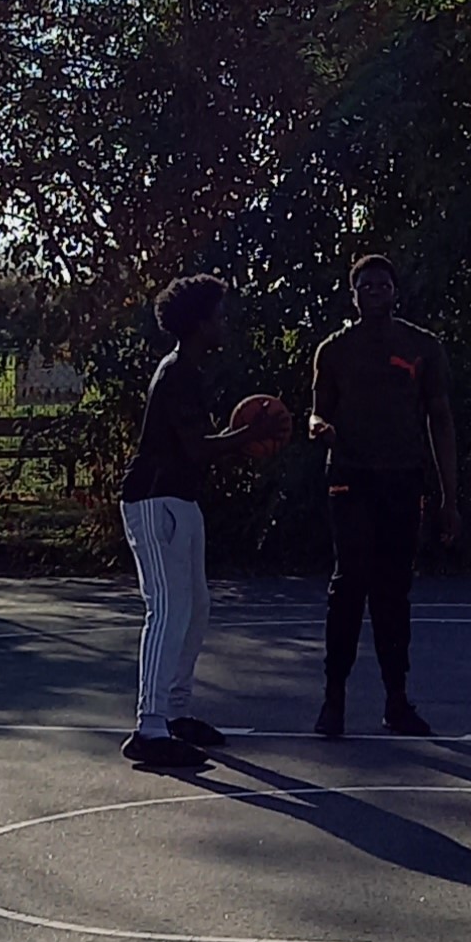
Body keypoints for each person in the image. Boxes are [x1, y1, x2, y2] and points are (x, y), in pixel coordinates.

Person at [117, 273, 276, 772]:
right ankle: (149, 727)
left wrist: (241, 435)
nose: (223, 323)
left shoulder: (188, 369)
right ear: (199, 322)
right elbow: (195, 449)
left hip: (179, 499)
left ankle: (176, 712)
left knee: (196, 608)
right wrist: (250, 433)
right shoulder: (176, 373)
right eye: (219, 315)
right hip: (154, 499)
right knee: (167, 610)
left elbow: (197, 447)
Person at [306, 254, 461, 740]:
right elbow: (315, 415)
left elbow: (441, 419)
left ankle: (397, 701)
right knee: (348, 585)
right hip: (350, 477)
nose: (374, 291)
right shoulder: (334, 350)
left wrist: (449, 498)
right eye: (364, 285)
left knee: (394, 591)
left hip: (402, 477)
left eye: (382, 284)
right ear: (352, 296)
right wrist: (319, 429)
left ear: (396, 291)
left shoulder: (423, 347)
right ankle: (334, 701)